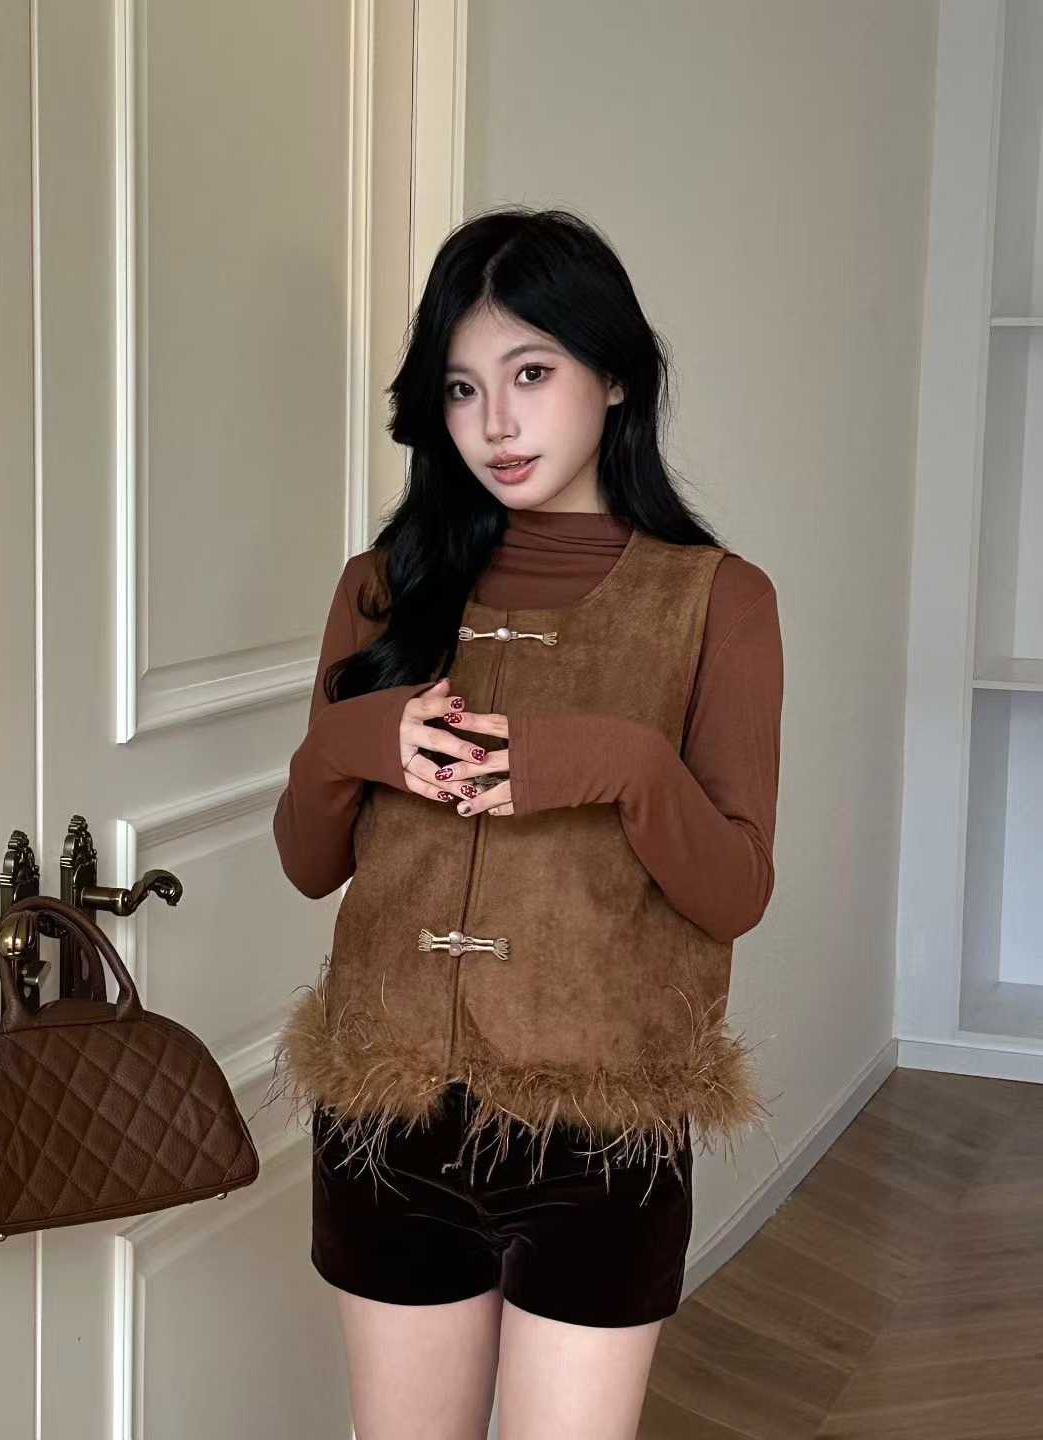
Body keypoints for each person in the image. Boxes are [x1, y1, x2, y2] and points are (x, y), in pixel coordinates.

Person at [270, 206, 783, 1440]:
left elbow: (735, 893)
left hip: (602, 1134)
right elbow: (308, 864)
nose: (495, 422)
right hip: (389, 1123)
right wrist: (351, 740)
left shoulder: (718, 601)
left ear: (616, 376)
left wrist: (622, 764)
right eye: (461, 388)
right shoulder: (381, 587)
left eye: (532, 373)